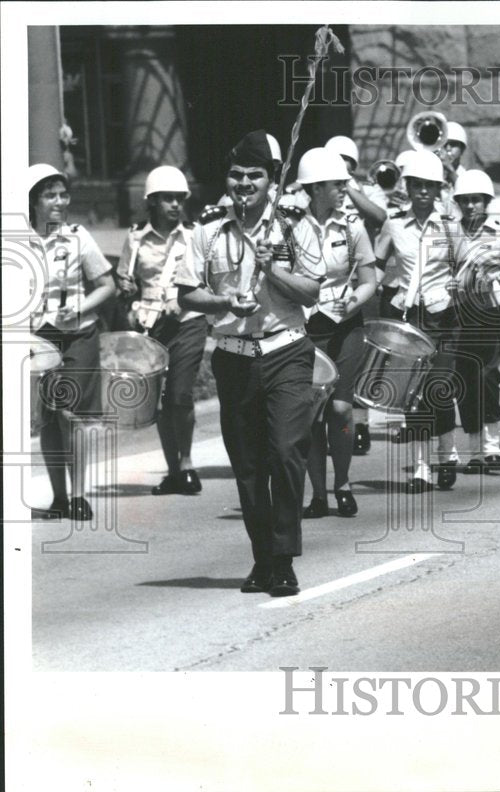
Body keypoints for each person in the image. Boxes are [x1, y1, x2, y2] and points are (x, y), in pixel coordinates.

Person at [176, 130, 323, 596]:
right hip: (235, 358)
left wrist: (272, 268)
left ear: (271, 179)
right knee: (249, 466)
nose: (242, 184)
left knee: (285, 452)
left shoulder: (295, 227)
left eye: (253, 175)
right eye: (236, 175)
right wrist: (223, 302)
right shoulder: (208, 230)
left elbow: (311, 292)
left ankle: (284, 559)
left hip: (286, 351)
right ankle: (262, 558)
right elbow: (187, 292)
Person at [27, 163, 116, 521]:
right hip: (39, 339)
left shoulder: (79, 237)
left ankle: (79, 495)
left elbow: (106, 286)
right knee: (50, 418)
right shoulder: (19, 241)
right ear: (34, 201)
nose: (60, 202)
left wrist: (80, 306)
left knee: (73, 414)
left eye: (64, 194)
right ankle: (59, 497)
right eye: (51, 195)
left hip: (79, 335)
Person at [294, 148, 378, 518]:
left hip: (345, 326)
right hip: (306, 328)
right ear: (314, 188)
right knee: (311, 415)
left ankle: (342, 484)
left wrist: (356, 301)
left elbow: (370, 279)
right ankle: (317, 495)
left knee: (341, 409)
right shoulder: (291, 228)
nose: (345, 188)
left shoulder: (351, 226)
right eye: (337, 184)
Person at [372, 150, 462, 492]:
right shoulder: (393, 223)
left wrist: (459, 285)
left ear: (439, 189)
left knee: (439, 387)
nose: (423, 191)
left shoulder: (450, 225)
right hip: (409, 314)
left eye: (430, 185)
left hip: (444, 314)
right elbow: (377, 266)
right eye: (417, 185)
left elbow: (466, 264)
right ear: (407, 187)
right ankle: (421, 468)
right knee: (413, 392)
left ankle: (447, 452)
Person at [117, 165, 209, 496]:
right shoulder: (135, 237)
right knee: (160, 401)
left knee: (181, 394)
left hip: (187, 321)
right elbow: (126, 280)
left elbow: (206, 280)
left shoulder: (195, 236)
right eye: (167, 199)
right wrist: (126, 292)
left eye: (179, 199)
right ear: (152, 202)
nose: (175, 205)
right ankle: (173, 471)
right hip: (150, 326)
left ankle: (187, 464)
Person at [449, 170, 500, 473]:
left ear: (487, 201)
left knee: (488, 373)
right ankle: (474, 448)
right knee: (464, 375)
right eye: (464, 201)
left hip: (492, 310)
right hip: (461, 310)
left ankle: (492, 444)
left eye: (475, 201)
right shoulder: (451, 232)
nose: (470, 207)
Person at [325, 134, 388, 458]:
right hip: (329, 285)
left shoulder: (368, 190)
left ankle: (360, 423)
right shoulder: (317, 191)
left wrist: (348, 186)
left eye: (345, 164)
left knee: (360, 358)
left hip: (363, 281)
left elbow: (379, 217)